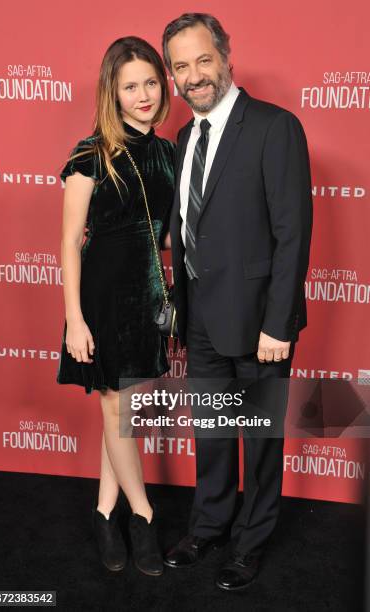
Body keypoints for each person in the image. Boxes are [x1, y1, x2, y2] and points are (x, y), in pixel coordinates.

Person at [162, 13, 313, 591]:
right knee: (214, 432)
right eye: (181, 66)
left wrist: (278, 324)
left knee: (260, 437)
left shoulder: (275, 127)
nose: (194, 75)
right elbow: (194, 222)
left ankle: (250, 543)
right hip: (199, 314)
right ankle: (210, 525)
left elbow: (292, 232)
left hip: (259, 324)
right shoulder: (183, 138)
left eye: (203, 60)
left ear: (226, 57)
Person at [56, 36, 175, 576]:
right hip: (102, 298)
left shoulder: (170, 152)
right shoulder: (91, 153)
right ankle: (144, 516)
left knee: (121, 413)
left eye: (151, 81)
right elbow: (69, 242)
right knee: (116, 407)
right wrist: (75, 319)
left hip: (148, 296)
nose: (144, 94)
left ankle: (106, 512)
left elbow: (166, 235)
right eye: (131, 86)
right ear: (113, 92)